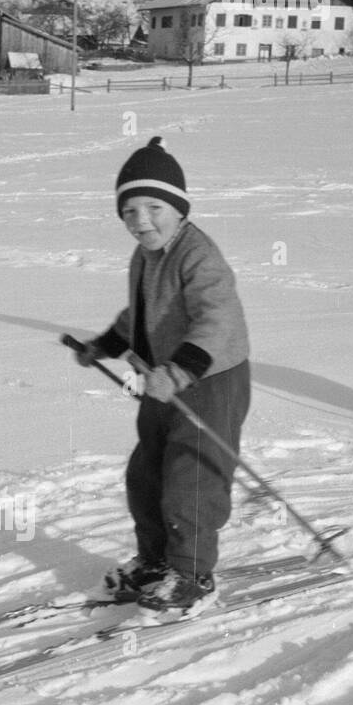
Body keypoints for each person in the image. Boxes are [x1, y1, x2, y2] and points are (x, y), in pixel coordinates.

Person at [78, 136, 251, 611]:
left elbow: (219, 320)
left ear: (178, 208)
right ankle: (156, 561)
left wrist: (180, 370)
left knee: (191, 479)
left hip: (210, 379)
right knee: (146, 473)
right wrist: (106, 345)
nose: (141, 221)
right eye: (129, 211)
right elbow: (142, 313)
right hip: (162, 381)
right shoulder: (146, 255)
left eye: (154, 206)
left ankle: (192, 574)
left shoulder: (198, 256)